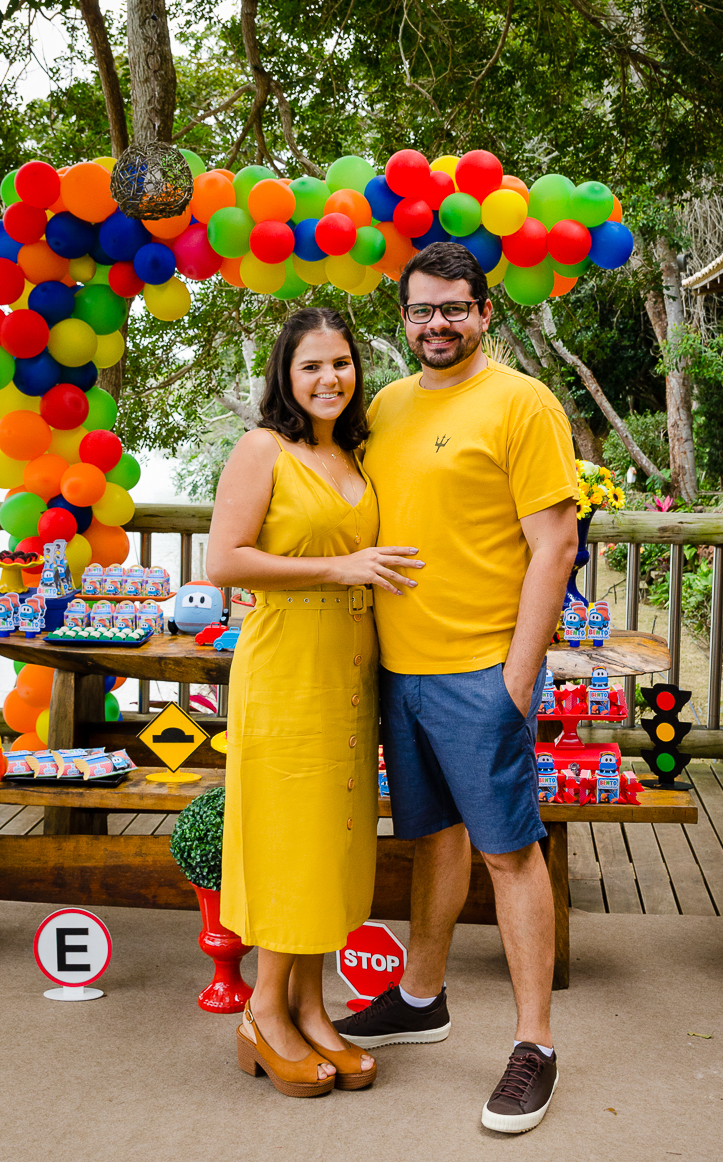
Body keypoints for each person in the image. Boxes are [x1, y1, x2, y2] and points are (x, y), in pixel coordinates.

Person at [333, 242, 579, 1133]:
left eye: (452, 308)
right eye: (420, 310)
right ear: (403, 319)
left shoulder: (522, 403)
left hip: (481, 671)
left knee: (508, 852)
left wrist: (517, 676)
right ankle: (420, 996)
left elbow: (554, 544)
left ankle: (534, 1044)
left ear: (483, 312)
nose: (435, 323)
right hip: (398, 670)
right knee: (432, 838)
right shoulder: (386, 405)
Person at [206, 307, 424, 1099]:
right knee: (290, 842)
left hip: (348, 668)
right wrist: (340, 569)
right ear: (285, 375)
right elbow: (224, 561)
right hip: (286, 667)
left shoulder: (353, 453)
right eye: (311, 366)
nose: (329, 378)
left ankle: (309, 1007)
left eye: (340, 362)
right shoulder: (262, 449)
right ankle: (263, 1012)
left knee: (331, 842)